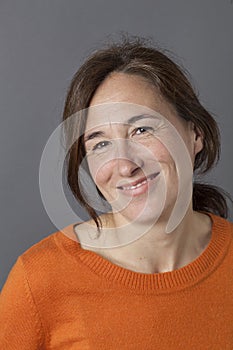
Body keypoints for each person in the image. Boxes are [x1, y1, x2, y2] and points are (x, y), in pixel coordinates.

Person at [0, 36, 233, 349]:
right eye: (101, 144)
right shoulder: (39, 281)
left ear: (196, 134)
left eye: (142, 130)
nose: (124, 166)